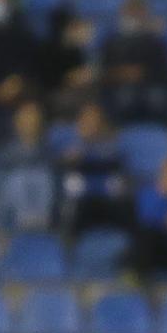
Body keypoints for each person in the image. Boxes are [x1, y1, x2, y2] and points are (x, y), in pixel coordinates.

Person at [60, 100, 134, 237]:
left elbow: (116, 160)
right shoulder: (71, 143)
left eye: (95, 119)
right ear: (80, 121)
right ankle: (68, 245)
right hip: (81, 200)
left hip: (109, 198)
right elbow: (66, 161)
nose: (91, 124)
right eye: (87, 119)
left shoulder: (114, 143)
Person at [100, 0, 167, 125]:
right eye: (131, 12)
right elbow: (104, 71)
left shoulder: (155, 42)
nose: (134, 16)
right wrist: (123, 74)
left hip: (150, 85)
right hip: (120, 87)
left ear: (145, 14)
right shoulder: (112, 41)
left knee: (158, 99)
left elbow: (165, 73)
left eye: (138, 12)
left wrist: (143, 73)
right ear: (123, 13)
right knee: (124, 98)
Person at [0, 99, 59, 231]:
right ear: (16, 123)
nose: (29, 123)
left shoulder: (50, 153)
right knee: (18, 179)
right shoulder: (3, 152)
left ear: (40, 122)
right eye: (25, 119)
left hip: (43, 212)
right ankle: (23, 221)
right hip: (9, 211)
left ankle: (37, 222)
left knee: (42, 178)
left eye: (33, 119)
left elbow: (56, 183)